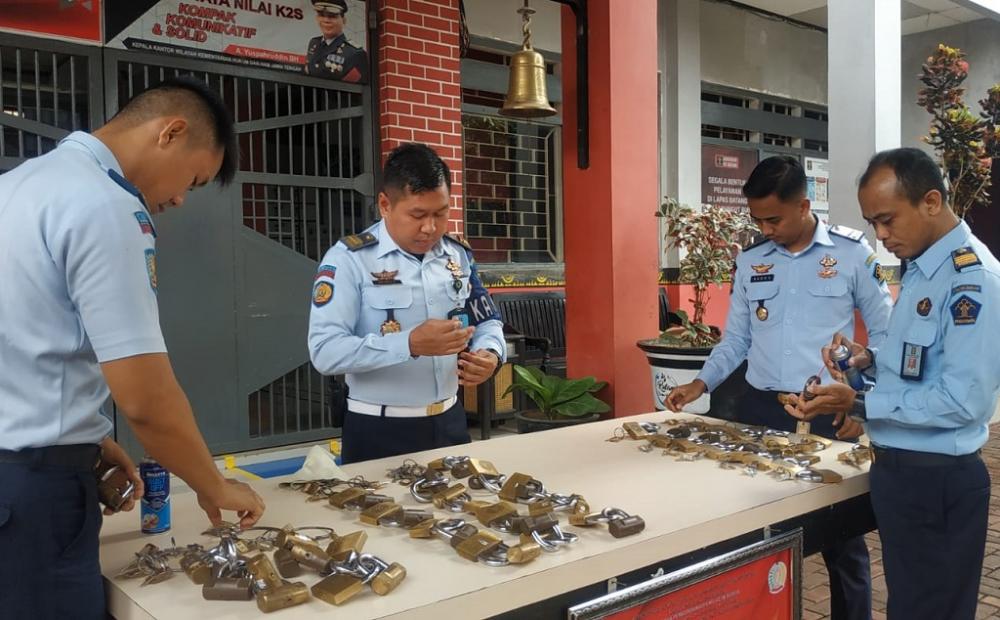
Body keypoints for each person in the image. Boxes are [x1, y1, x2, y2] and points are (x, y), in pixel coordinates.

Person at [0, 76, 266, 618]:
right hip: (35, 495)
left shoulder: (18, 186)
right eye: (193, 178)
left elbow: (22, 344)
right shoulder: (105, 205)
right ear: (171, 132)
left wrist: (90, 438)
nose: (179, 198)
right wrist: (213, 485)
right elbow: (146, 399)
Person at [666, 155, 892, 620]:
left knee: (843, 543)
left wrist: (861, 402)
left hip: (826, 412)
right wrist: (700, 383)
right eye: (757, 220)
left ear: (804, 205)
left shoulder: (851, 253)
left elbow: (885, 336)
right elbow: (736, 340)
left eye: (774, 219)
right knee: (755, 532)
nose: (765, 229)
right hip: (760, 412)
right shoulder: (752, 261)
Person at [787, 147, 1000, 620]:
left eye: (887, 220)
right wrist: (867, 358)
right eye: (872, 223)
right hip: (902, 475)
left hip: (936, 480)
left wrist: (860, 403)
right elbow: (920, 363)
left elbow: (964, 401)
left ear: (930, 201)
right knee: (910, 605)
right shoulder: (923, 268)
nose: (881, 236)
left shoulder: (972, 280)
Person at [309, 143, 506, 464]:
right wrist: (409, 343)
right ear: (385, 205)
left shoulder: (456, 255)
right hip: (379, 429)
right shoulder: (350, 260)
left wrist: (491, 354)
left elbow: (487, 319)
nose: (430, 227)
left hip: (450, 422)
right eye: (418, 215)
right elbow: (325, 351)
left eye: (440, 213)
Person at [305, 0, 369, 83]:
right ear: (317, 18)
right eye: (321, 15)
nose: (326, 20)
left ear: (344, 20)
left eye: (332, 16)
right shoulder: (314, 43)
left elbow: (357, 87)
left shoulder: (355, 53)